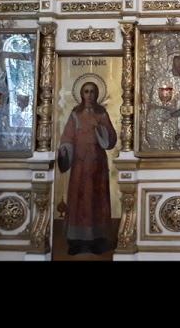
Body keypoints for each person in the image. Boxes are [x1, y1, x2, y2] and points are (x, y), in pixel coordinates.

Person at [58, 81, 117, 255]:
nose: (89, 95)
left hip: (97, 165)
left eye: (92, 91)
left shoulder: (102, 113)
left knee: (96, 200)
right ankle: (76, 240)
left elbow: (111, 138)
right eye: (86, 91)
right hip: (80, 165)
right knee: (79, 201)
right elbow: (68, 137)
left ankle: (97, 239)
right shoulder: (75, 114)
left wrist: (101, 130)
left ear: (96, 94)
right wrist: (65, 150)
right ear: (82, 94)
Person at [145, 53, 180, 151]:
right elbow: (155, 99)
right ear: (172, 60)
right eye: (178, 59)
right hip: (165, 117)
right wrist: (171, 111)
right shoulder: (162, 80)